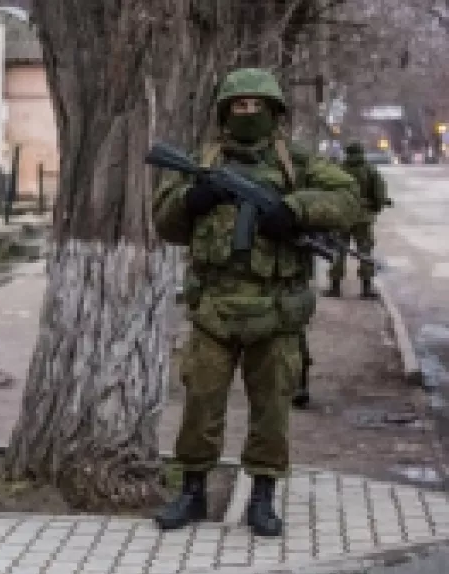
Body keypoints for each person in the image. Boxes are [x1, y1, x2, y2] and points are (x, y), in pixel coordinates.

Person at [151, 68, 362, 537]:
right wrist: (193, 200)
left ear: (274, 112)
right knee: (201, 406)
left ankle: (263, 496)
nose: (248, 113)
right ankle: (192, 492)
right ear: (225, 111)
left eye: (257, 105)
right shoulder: (200, 161)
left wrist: (295, 209)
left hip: (276, 308)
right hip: (213, 309)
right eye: (239, 105)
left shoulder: (298, 164)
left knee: (271, 410)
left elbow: (348, 197)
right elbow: (164, 224)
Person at [324, 140, 392, 299]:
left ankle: (335, 287)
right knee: (365, 251)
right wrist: (374, 209)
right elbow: (380, 194)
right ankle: (366, 288)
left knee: (338, 250)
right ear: (362, 152)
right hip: (363, 218)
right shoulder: (370, 170)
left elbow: (329, 190)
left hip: (342, 215)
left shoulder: (339, 169)